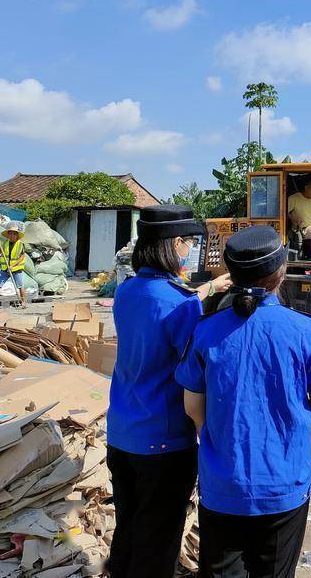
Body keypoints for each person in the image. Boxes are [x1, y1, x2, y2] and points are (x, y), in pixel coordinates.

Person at [176, 225, 311, 578]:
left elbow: (193, 408)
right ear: (281, 273)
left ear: (231, 276)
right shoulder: (307, 330)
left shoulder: (206, 331)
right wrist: (289, 427)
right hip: (284, 485)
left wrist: (222, 430)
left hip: (222, 485)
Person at [106, 205, 232, 578]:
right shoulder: (178, 303)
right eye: (188, 243)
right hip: (162, 442)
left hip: (123, 433)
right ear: (174, 244)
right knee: (158, 542)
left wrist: (207, 288)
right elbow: (193, 363)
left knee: (128, 527)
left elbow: (167, 307)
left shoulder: (127, 291)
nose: (189, 250)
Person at [0, 224, 28, 308]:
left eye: (14, 234)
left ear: (17, 235)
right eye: (10, 233)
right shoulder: (5, 243)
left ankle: (23, 302)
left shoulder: (20, 244)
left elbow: (22, 257)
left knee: (20, 286)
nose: (11, 235)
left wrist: (13, 265)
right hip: (5, 269)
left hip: (16, 269)